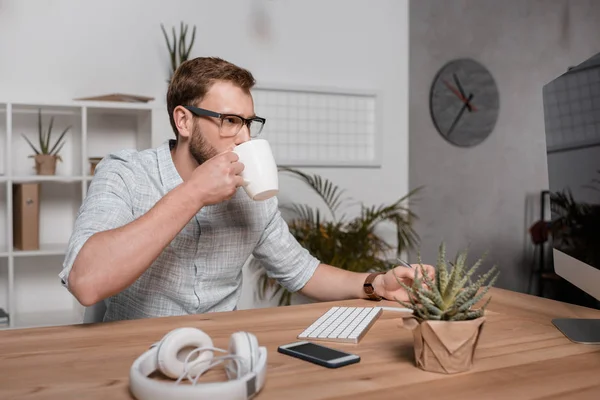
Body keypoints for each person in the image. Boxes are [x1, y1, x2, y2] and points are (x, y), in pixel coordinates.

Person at [59, 57, 434, 322]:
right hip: (130, 353)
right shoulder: (126, 173)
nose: (244, 137)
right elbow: (86, 283)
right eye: (230, 121)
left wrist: (376, 283)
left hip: (220, 355)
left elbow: (303, 272)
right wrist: (193, 194)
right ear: (184, 120)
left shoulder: (250, 192)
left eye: (249, 123)